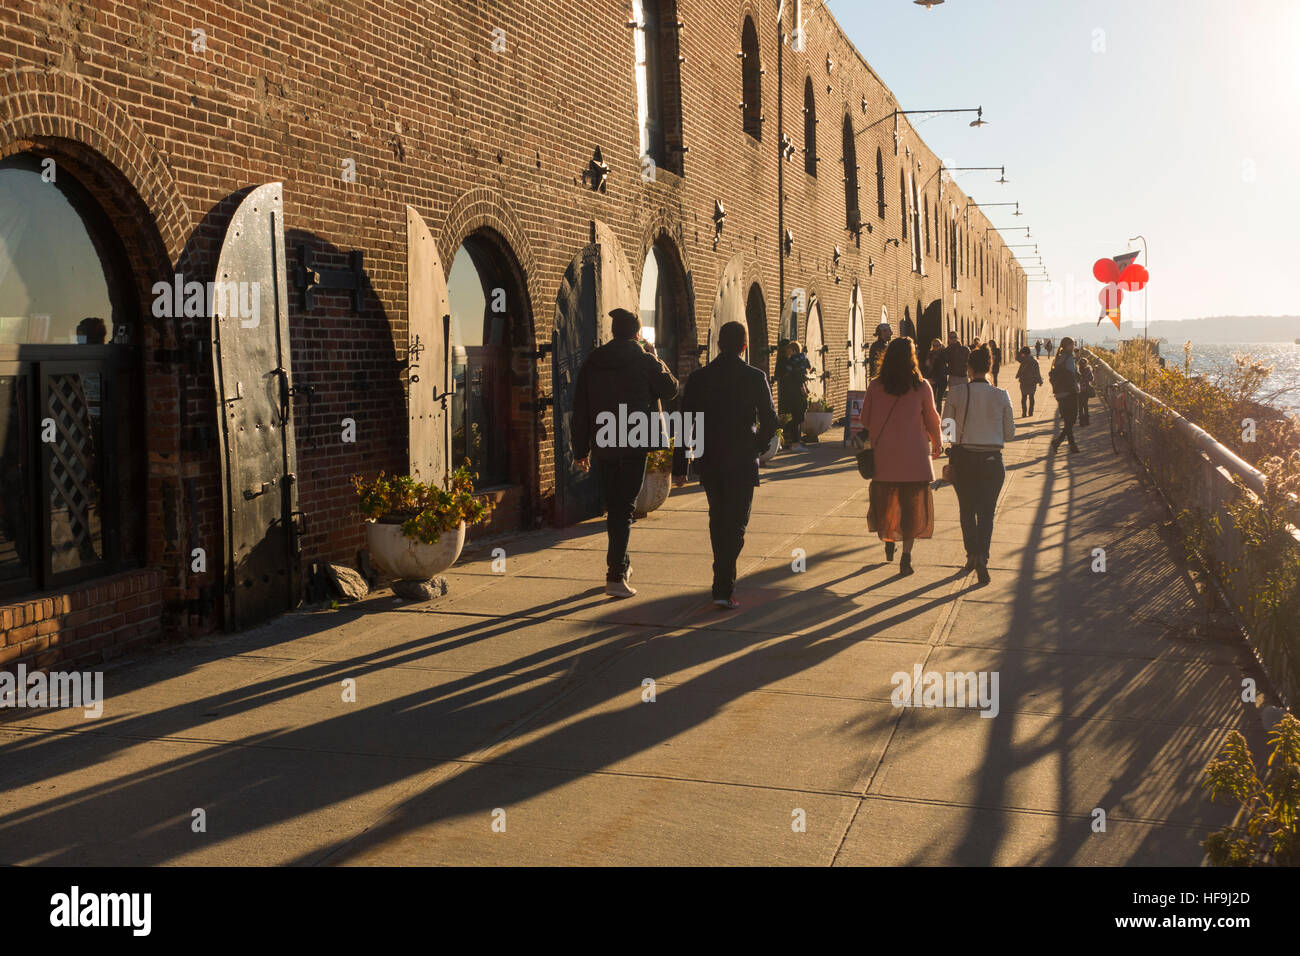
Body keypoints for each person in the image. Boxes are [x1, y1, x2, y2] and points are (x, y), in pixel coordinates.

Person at [572, 307, 680, 597]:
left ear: (612, 332)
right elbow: (670, 389)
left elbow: (580, 409)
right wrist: (655, 354)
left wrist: (580, 449)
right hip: (635, 440)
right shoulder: (645, 360)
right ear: (636, 333)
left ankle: (621, 565)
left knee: (615, 509)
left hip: (605, 441)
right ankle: (616, 575)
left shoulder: (593, 362)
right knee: (624, 509)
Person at [673, 321, 778, 609]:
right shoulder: (755, 377)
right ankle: (723, 584)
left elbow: (685, 422)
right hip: (742, 459)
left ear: (719, 344)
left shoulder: (699, 378)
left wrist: (680, 465)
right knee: (737, 523)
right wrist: (757, 446)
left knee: (718, 517)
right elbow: (771, 420)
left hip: (711, 459)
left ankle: (722, 579)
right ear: (744, 345)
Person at [861, 337, 943, 576]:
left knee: (887, 502)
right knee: (911, 508)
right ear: (912, 358)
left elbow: (864, 419)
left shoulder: (876, 386)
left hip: (885, 457)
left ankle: (889, 539)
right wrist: (937, 444)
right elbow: (932, 419)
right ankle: (906, 556)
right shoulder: (922, 386)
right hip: (914, 458)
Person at [942, 345, 1016, 585]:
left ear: (969, 368)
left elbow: (946, 429)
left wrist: (962, 436)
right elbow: (1010, 433)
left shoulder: (956, 393)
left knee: (967, 510)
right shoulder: (1002, 395)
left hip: (964, 459)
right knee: (987, 513)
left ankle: (971, 554)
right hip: (993, 461)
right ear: (990, 366)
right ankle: (983, 556)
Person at [776, 340, 811, 451]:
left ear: (793, 350)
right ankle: (795, 442)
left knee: (796, 417)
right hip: (801, 390)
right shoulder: (804, 358)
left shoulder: (791, 360)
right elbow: (808, 369)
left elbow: (787, 373)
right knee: (799, 416)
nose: (787, 352)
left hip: (794, 391)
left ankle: (792, 440)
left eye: (789, 350)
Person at [1048, 336, 1080, 454]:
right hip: (1069, 392)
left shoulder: (1058, 357)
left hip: (1059, 392)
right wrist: (1077, 389)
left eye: (1073, 344)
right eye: (1071, 345)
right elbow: (1072, 375)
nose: (1073, 347)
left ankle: (1071, 445)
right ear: (1066, 346)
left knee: (1068, 420)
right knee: (1072, 420)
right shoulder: (1069, 358)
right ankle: (1060, 441)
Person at [1014, 345, 1042, 417]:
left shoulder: (1023, 360)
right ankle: (1031, 412)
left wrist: (1020, 352)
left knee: (1023, 397)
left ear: (1023, 353)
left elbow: (1017, 358)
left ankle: (1024, 412)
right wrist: (1040, 381)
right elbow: (1037, 372)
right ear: (1030, 352)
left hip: (1024, 381)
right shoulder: (1034, 361)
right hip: (1032, 381)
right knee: (1031, 397)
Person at [922, 337, 947, 411]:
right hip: (932, 378)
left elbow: (942, 368)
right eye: (934, 345)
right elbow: (927, 367)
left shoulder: (943, 354)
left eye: (938, 345)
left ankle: (938, 416)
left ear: (941, 345)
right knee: (933, 399)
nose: (936, 347)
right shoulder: (930, 354)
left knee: (939, 399)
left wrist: (935, 379)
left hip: (941, 379)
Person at [944, 329, 970, 393]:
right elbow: (944, 362)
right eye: (951, 337)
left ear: (957, 338)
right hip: (953, 376)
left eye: (955, 337)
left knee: (964, 396)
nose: (953, 339)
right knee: (953, 396)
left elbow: (970, 362)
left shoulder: (965, 349)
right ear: (948, 339)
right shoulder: (947, 350)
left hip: (963, 376)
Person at [1077, 357, 1095, 426]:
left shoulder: (1077, 371)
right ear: (1086, 363)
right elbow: (1091, 378)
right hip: (1086, 389)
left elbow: (1075, 380)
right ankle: (1087, 421)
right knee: (1085, 405)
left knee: (1080, 406)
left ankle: (1081, 421)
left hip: (1079, 390)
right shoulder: (1088, 370)